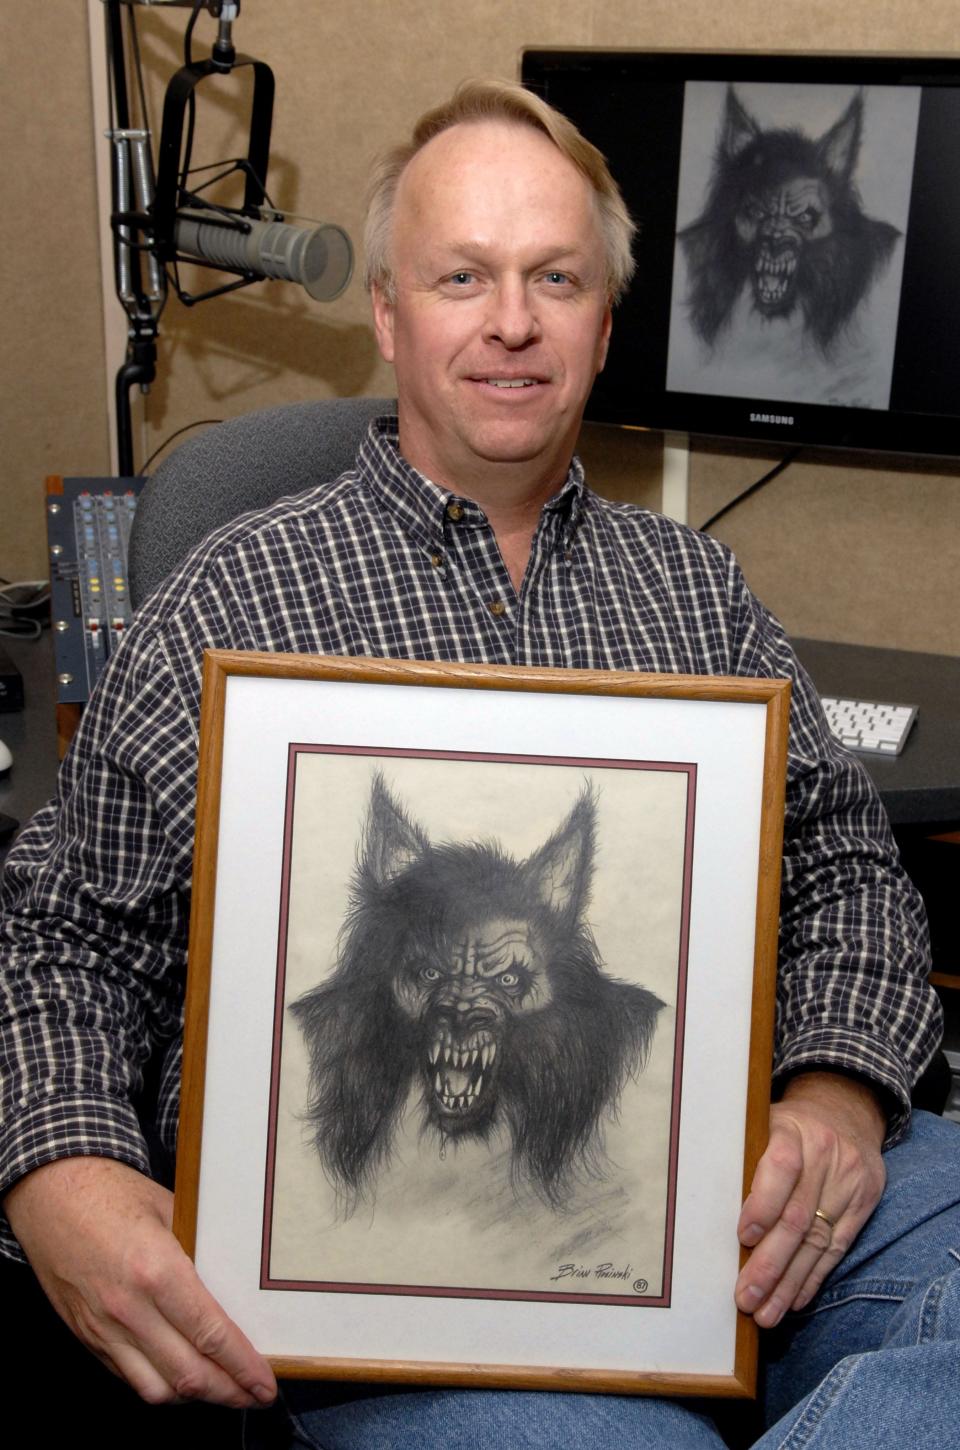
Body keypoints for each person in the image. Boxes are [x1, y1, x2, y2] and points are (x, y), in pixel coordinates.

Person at [1, 78, 957, 1449]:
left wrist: (838, 1091)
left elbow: (852, 874)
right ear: (390, 312)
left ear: (605, 321)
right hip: (394, 1262)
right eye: (464, 276)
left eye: (554, 278)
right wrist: (61, 1173)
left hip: (729, 1206)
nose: (512, 320)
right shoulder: (232, 600)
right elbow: (61, 934)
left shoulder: (696, 596)